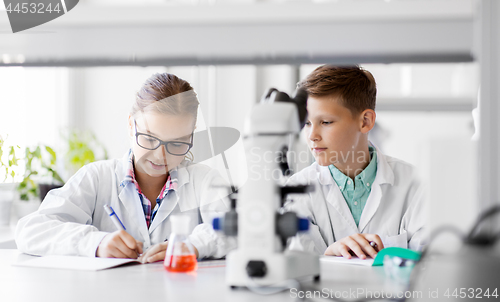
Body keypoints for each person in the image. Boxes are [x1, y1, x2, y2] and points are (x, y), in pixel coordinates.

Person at [16, 73, 233, 262]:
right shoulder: (96, 177)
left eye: (177, 143)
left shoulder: (205, 181)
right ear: (131, 125)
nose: (161, 156)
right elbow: (31, 230)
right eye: (149, 138)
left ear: (191, 136)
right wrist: (96, 243)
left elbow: (240, 232)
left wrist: (194, 244)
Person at [286, 65, 427, 259]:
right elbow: (297, 268)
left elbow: (431, 264)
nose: (312, 136)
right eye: (307, 123)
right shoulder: (295, 190)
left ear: (365, 121)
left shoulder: (416, 184)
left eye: (326, 122)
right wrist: (330, 256)